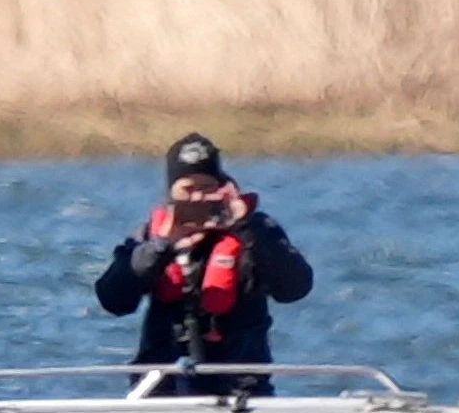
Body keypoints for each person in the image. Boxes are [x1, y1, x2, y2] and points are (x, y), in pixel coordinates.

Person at [91, 131, 314, 398]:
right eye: (188, 190)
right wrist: (163, 247)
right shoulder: (150, 236)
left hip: (241, 389)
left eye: (206, 188)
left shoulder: (257, 232)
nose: (197, 199)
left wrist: (244, 227)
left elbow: (295, 288)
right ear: (172, 193)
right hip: (163, 388)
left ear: (222, 190)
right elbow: (113, 300)